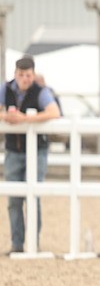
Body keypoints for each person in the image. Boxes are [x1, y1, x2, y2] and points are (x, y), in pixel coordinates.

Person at [4, 56, 61, 254]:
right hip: (14, 150)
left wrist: (26, 119)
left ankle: (33, 243)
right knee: (14, 199)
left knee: (33, 197)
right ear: (15, 74)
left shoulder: (41, 91)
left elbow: (54, 112)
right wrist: (6, 116)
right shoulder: (6, 89)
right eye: (21, 75)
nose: (25, 79)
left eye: (28, 75)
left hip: (37, 150)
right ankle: (17, 244)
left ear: (33, 74)